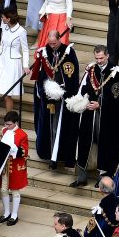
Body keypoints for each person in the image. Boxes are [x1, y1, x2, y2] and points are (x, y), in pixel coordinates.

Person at [69, 46, 119, 187]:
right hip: (89, 114)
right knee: (84, 142)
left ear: (107, 56)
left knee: (104, 144)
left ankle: (103, 177)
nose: (99, 61)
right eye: (96, 58)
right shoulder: (92, 69)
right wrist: (85, 99)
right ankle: (82, 177)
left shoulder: (115, 72)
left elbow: (117, 95)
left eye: (101, 58)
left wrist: (100, 104)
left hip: (106, 116)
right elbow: (85, 88)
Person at [31, 29, 79, 168]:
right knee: (48, 127)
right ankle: (48, 153)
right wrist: (44, 90)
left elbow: (72, 76)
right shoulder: (44, 52)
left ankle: (57, 157)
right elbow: (40, 75)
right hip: (47, 98)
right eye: (49, 43)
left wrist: (62, 92)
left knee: (59, 127)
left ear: (59, 39)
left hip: (62, 99)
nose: (51, 46)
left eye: (54, 43)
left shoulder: (68, 53)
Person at [0, 9, 30, 129]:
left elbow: (25, 49)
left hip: (12, 64)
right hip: (2, 61)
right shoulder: (4, 26)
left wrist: (26, 65)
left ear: (9, 18)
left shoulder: (21, 31)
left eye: (3, 17)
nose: (1, 19)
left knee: (7, 95)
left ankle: (8, 122)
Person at [0, 111, 30, 226]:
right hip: (5, 165)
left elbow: (24, 152)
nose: (7, 126)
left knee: (15, 190)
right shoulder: (4, 131)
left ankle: (14, 215)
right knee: (4, 189)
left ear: (16, 122)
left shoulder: (22, 134)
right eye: (6, 124)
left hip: (15, 165)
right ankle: (6, 213)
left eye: (9, 124)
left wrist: (15, 149)